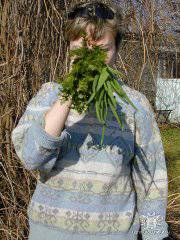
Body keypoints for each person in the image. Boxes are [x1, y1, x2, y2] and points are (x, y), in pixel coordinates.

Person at [11, 1, 169, 240]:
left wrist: (155, 234)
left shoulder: (135, 105)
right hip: (50, 233)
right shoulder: (49, 95)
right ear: (69, 47)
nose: (91, 59)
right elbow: (32, 158)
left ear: (116, 49)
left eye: (102, 49)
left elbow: (151, 179)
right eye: (82, 49)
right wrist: (70, 92)